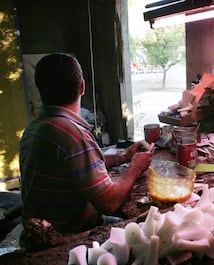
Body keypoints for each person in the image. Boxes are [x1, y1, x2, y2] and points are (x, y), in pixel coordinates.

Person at [19, 53, 152, 243]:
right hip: (66, 236)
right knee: (144, 227)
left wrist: (123, 157)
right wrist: (136, 167)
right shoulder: (73, 135)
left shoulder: (36, 127)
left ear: (40, 89)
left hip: (38, 231)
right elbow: (109, 203)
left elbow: (75, 165)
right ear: (82, 86)